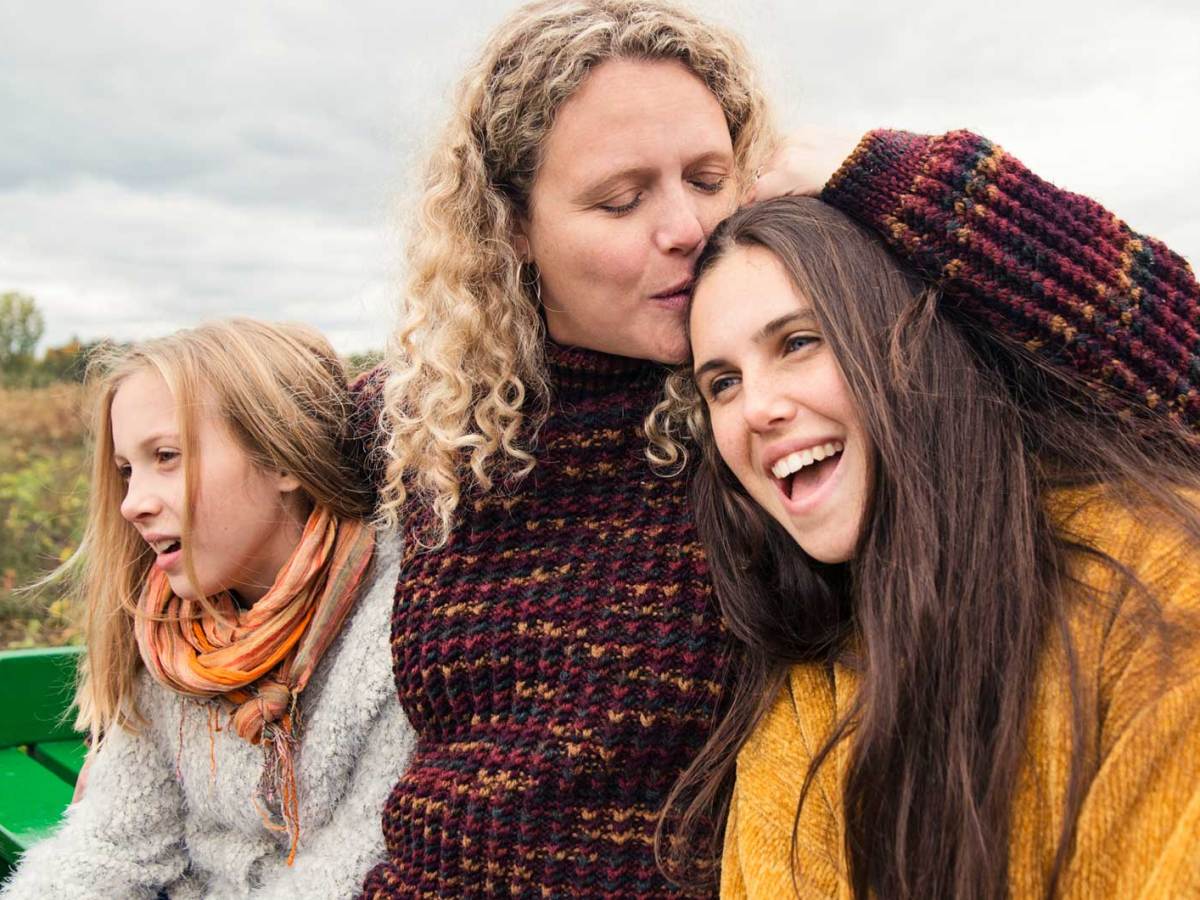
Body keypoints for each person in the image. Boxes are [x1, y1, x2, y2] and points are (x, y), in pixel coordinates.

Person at [351, 1, 1200, 896]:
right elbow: (249, 444)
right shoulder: (438, 420)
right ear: (511, 228)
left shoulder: (812, 403)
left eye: (709, 177)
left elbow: (1178, 360)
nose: (683, 226)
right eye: (622, 199)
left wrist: (884, 174)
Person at [656, 194, 1200, 898]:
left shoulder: (1153, 576)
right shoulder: (806, 694)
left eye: (797, 342)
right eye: (723, 383)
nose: (758, 408)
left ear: (909, 339)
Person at [1, 320, 415, 900]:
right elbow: (116, 844)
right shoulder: (170, 634)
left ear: (281, 459)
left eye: (165, 456)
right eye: (126, 470)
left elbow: (356, 869)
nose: (132, 504)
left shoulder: (404, 628)